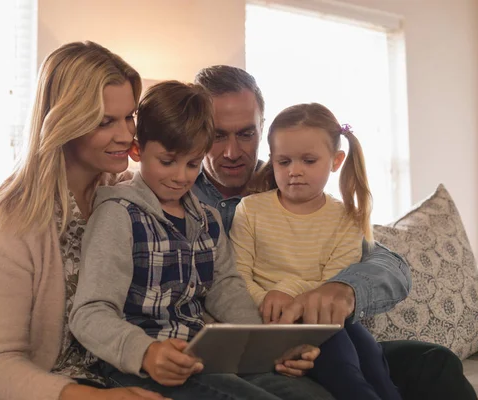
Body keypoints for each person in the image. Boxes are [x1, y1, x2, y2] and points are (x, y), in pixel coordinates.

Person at [192, 65, 478, 400]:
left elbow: (389, 264)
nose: (231, 152)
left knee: (435, 361)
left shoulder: (301, 189)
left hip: (328, 335)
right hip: (250, 350)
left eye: (245, 134)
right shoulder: (177, 196)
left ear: (262, 130)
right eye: (217, 135)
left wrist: (343, 287)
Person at [69, 80, 330, 400]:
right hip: (136, 366)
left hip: (200, 359)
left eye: (192, 164)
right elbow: (89, 313)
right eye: (167, 161)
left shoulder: (207, 220)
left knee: (315, 396)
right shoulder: (118, 214)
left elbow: (226, 289)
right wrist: (145, 352)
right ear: (137, 150)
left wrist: (269, 347)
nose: (180, 176)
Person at [0, 41, 169, 400]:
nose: (126, 134)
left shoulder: (127, 195)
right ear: (65, 121)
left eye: (129, 117)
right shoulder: (11, 221)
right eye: (105, 121)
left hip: (115, 377)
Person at [230, 102, 402, 399]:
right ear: (271, 161)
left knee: (371, 360)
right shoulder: (251, 210)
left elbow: (334, 281)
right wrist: (269, 300)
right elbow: (236, 273)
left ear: (335, 161)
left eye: (309, 161)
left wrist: (287, 290)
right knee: (346, 371)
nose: (295, 171)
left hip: (324, 317)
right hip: (272, 321)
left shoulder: (347, 216)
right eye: (284, 162)